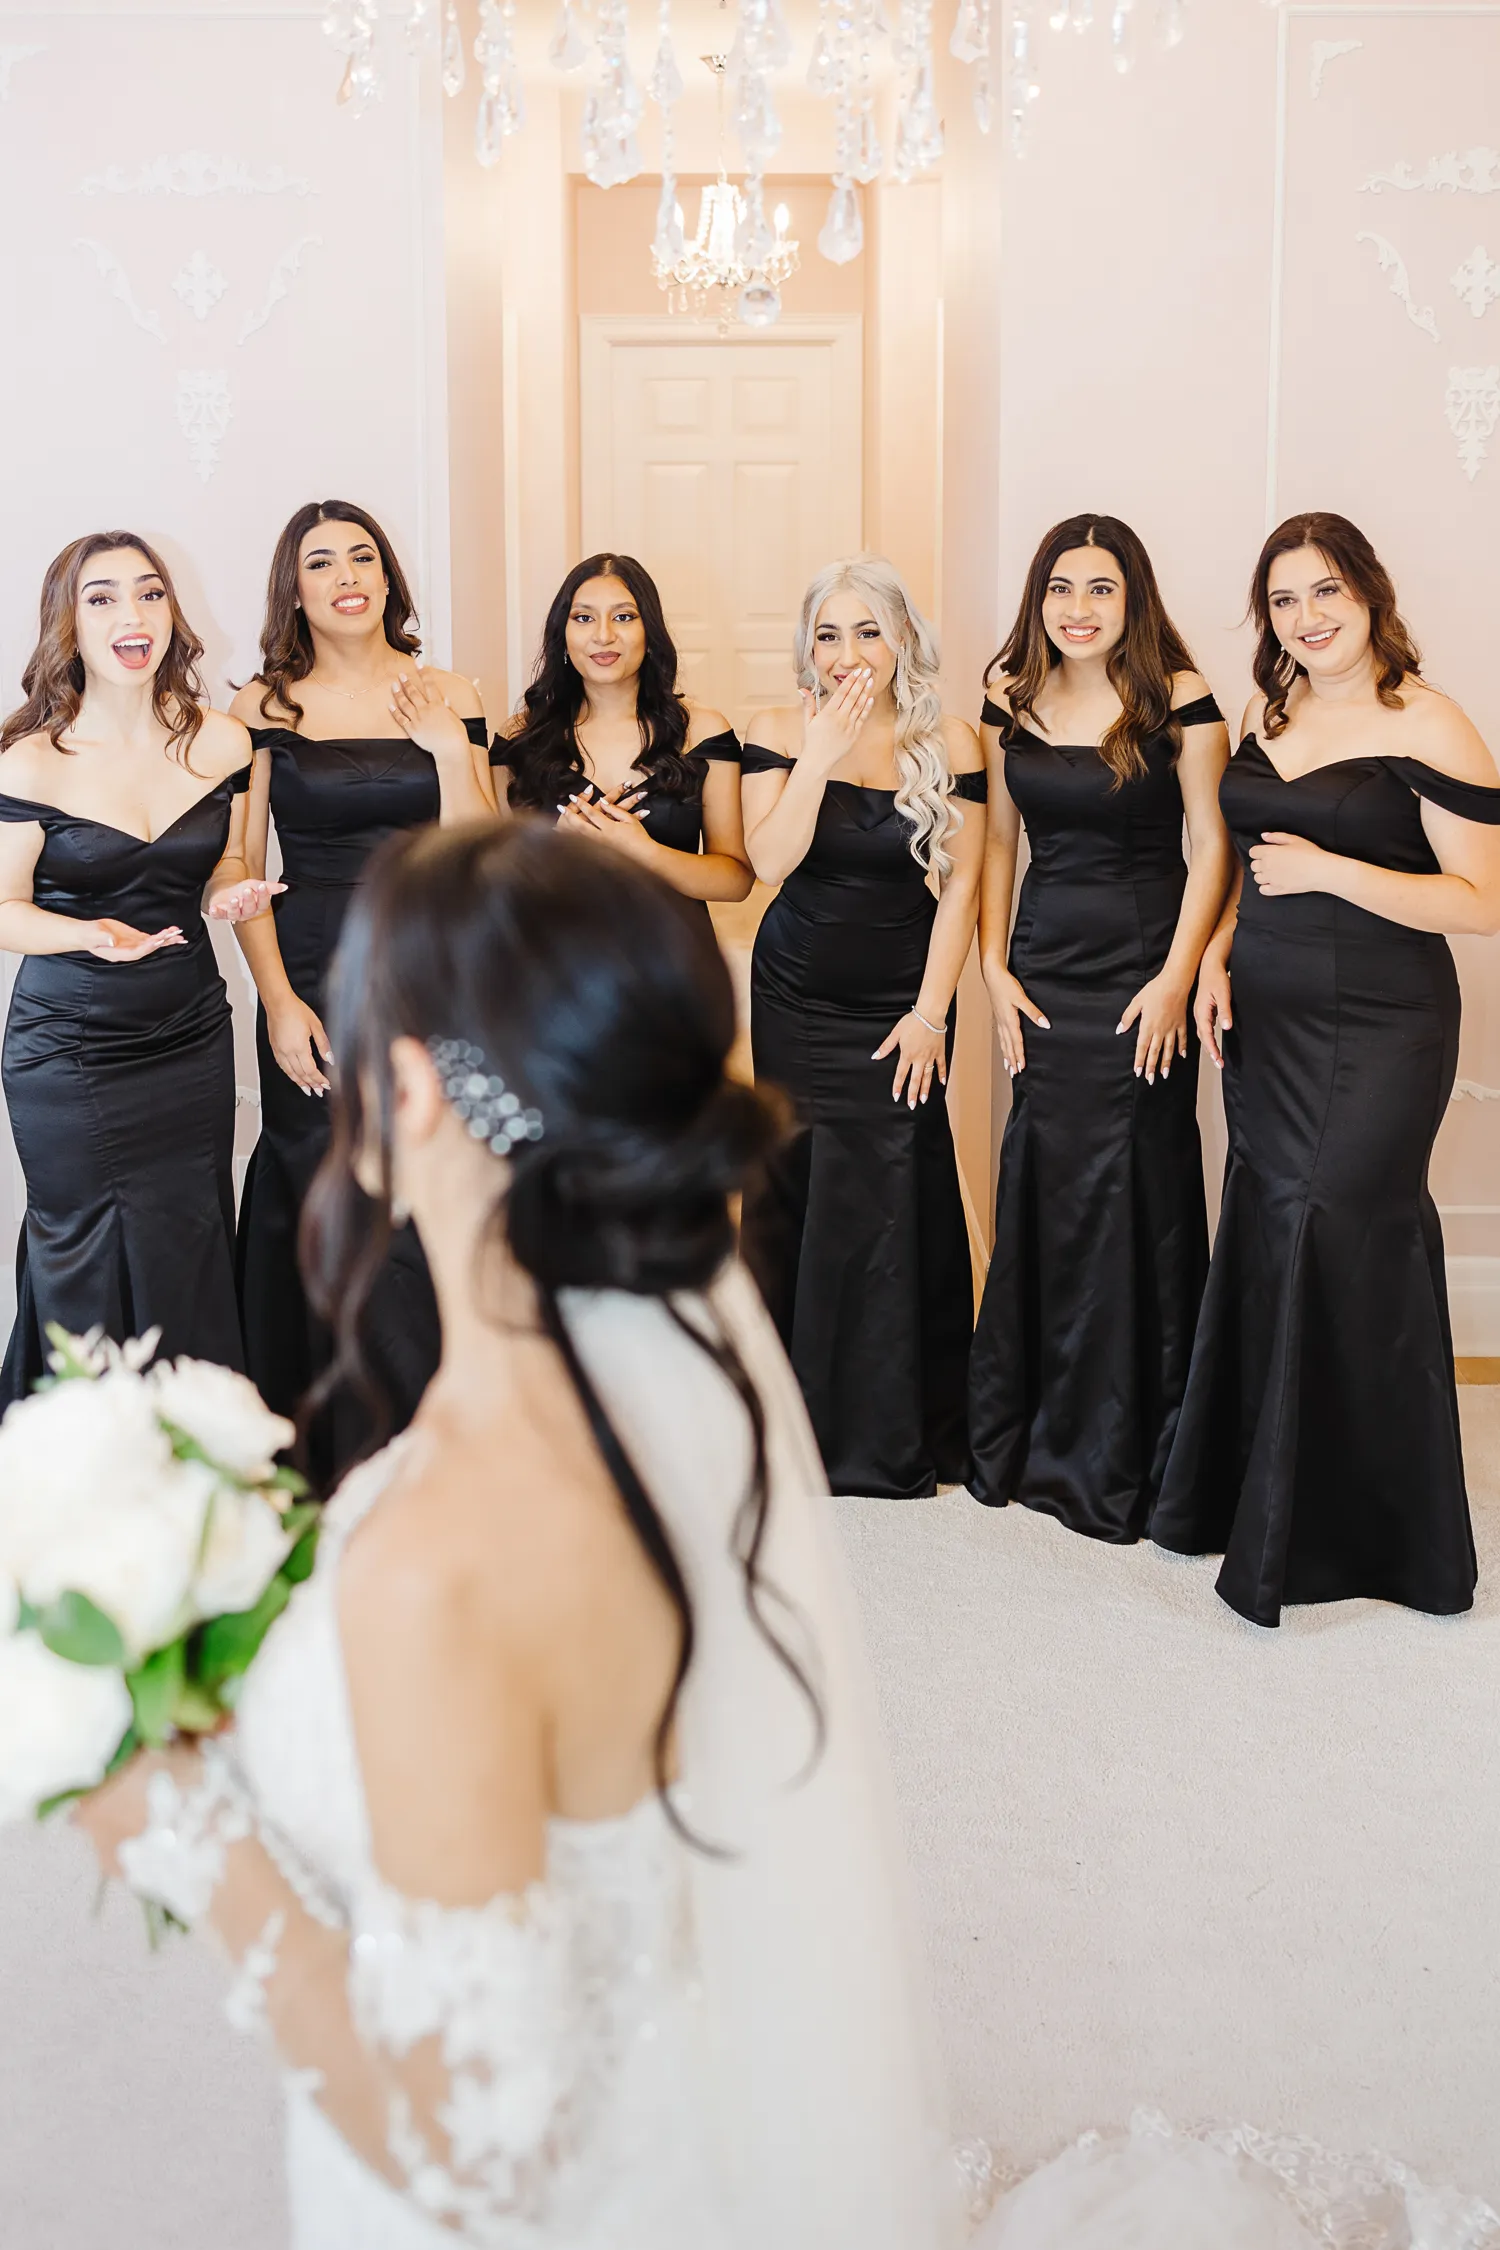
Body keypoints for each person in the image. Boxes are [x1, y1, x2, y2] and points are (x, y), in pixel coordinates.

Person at [77, 821, 958, 2250]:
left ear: (409, 1088)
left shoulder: (447, 1552)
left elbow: (472, 2150)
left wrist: (173, 1827)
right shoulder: (663, 1393)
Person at [1151, 512, 1500, 1625]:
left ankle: (1372, 1536)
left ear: (1369, 593)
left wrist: (1336, 873)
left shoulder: (1432, 722)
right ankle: (1251, 1492)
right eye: (1286, 602)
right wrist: (1214, 953)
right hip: (1265, 1018)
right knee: (1267, 1219)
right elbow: (1255, 868)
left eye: (1326, 594)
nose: (1308, 619)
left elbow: (1484, 903)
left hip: (1385, 1022)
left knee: (1338, 1225)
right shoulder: (1273, 706)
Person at [968, 515, 1232, 1538]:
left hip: (1140, 973)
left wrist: (1175, 979)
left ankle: (1137, 1452)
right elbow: (996, 839)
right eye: (1061, 590)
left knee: (1135, 1190)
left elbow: (1212, 845)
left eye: (1101, 590)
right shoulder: (1009, 698)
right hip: (1042, 974)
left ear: (1134, 600)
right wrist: (992, 966)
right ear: (1039, 601)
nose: (1079, 610)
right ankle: (1031, 1435)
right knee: (1045, 1178)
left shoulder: (1184, 697)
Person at [230, 500, 494, 1477]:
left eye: (364, 556)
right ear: (293, 590)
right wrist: (278, 1000)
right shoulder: (264, 705)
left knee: (423, 1188)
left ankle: (427, 1441)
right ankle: (316, 1446)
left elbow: (482, 848)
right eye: (322, 561)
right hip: (309, 970)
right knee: (320, 1184)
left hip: (429, 969)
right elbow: (239, 865)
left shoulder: (450, 690)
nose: (347, 573)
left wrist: (445, 747)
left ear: (388, 578)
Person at [0, 531, 271, 1402]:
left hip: (188, 1032)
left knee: (187, 1239)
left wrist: (231, 893)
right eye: (103, 597)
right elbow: (2, 909)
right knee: (82, 1246)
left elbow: (224, 862)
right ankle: (71, 1484)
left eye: (150, 594)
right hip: (67, 1047)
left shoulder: (223, 743)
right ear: (68, 625)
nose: (133, 614)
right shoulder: (32, 759)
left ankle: (194, 1476)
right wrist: (89, 936)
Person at [738, 556, 985, 1498]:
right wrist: (817, 759)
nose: (849, 654)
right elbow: (767, 861)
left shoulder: (949, 740)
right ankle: (791, 1423)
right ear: (807, 646)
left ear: (902, 641)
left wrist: (932, 1014)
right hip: (796, 996)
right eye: (829, 634)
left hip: (904, 999)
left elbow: (963, 881)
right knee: (797, 1184)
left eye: (868, 632)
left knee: (892, 1185)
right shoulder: (773, 731)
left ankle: (896, 1425)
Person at [494, 552, 752, 915]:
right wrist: (556, 851)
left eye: (624, 617)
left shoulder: (703, 731)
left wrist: (644, 851)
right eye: (584, 618)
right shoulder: (521, 735)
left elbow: (736, 880)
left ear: (650, 631)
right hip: (554, 957)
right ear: (562, 635)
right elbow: (496, 881)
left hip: (670, 955)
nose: (603, 635)